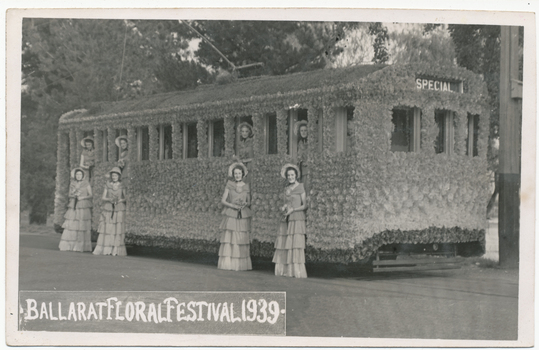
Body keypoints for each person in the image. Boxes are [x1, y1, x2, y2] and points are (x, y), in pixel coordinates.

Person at [272, 164, 308, 278]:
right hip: (286, 216)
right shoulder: (286, 189)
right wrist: (284, 207)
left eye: (292, 175)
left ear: (296, 175)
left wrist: (293, 210)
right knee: (285, 241)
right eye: (288, 175)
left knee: (295, 243)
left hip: (297, 217)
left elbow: (305, 205)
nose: (290, 177)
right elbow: (286, 202)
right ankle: (285, 269)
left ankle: (296, 270)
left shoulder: (301, 187)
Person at [218, 162, 252, 271]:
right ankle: (229, 264)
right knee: (230, 237)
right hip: (231, 213)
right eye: (235, 173)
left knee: (241, 237)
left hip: (242, 213)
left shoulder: (246, 186)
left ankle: (240, 264)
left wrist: (244, 204)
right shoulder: (230, 184)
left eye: (239, 173)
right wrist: (232, 205)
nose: (237, 175)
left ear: (243, 174)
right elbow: (223, 200)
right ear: (233, 174)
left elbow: (249, 201)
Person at [93, 167, 127, 256]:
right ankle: (106, 248)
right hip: (108, 207)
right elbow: (103, 197)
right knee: (108, 228)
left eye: (116, 175)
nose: (114, 177)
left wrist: (119, 200)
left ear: (119, 176)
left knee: (117, 228)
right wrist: (110, 199)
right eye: (113, 175)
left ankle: (116, 249)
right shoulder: (108, 184)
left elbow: (125, 197)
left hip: (119, 207)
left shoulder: (122, 185)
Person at [59, 167, 93, 252]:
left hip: (83, 204)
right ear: (75, 175)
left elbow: (90, 195)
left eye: (80, 174)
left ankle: (81, 246)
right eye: (77, 174)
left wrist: (82, 197)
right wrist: (74, 194)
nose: (78, 176)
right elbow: (69, 195)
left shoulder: (86, 183)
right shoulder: (72, 184)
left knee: (81, 223)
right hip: (74, 204)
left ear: (83, 176)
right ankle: (70, 245)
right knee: (72, 223)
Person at [295, 120, 310, 192]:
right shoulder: (299, 143)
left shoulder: (311, 143)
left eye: (305, 130)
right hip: (301, 170)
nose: (303, 132)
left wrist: (308, 162)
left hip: (309, 170)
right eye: (301, 131)